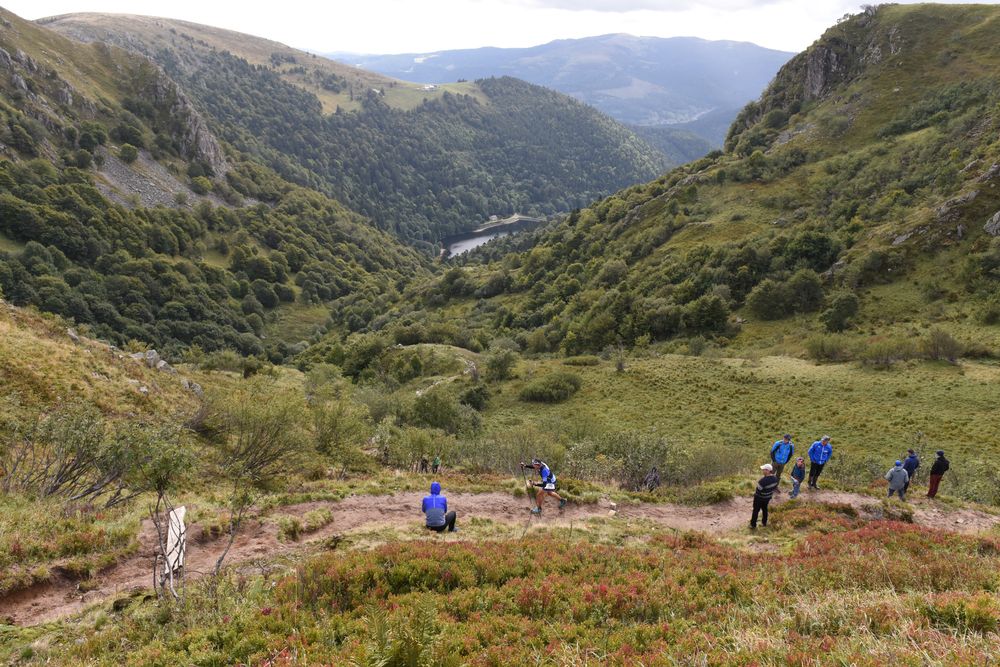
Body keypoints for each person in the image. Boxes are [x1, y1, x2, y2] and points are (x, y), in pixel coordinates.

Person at [750, 463, 779, 530]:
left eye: (764, 470)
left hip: (759, 498)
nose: (762, 471)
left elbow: (758, 489)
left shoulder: (763, 480)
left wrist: (756, 494)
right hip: (768, 497)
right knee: (765, 509)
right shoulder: (775, 479)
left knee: (755, 511)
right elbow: (774, 487)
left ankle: (753, 525)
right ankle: (764, 522)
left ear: (768, 471)